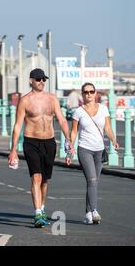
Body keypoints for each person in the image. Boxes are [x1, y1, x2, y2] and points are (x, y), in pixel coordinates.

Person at [8, 69, 71, 228]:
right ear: (31, 81)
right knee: (36, 177)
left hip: (49, 142)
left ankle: (42, 208)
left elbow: (62, 120)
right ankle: (37, 213)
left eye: (43, 79)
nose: (41, 82)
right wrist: (13, 149)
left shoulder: (52, 98)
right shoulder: (25, 100)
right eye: (38, 79)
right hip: (31, 142)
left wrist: (69, 139)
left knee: (45, 179)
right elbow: (17, 125)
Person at [68, 83, 119, 225]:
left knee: (94, 182)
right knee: (91, 180)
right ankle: (95, 210)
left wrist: (113, 140)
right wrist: (69, 149)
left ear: (95, 93)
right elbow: (73, 132)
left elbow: (107, 127)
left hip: (100, 150)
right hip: (84, 149)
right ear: (82, 94)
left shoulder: (103, 109)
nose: (89, 94)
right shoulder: (78, 111)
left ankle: (88, 213)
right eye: (86, 92)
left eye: (91, 91)